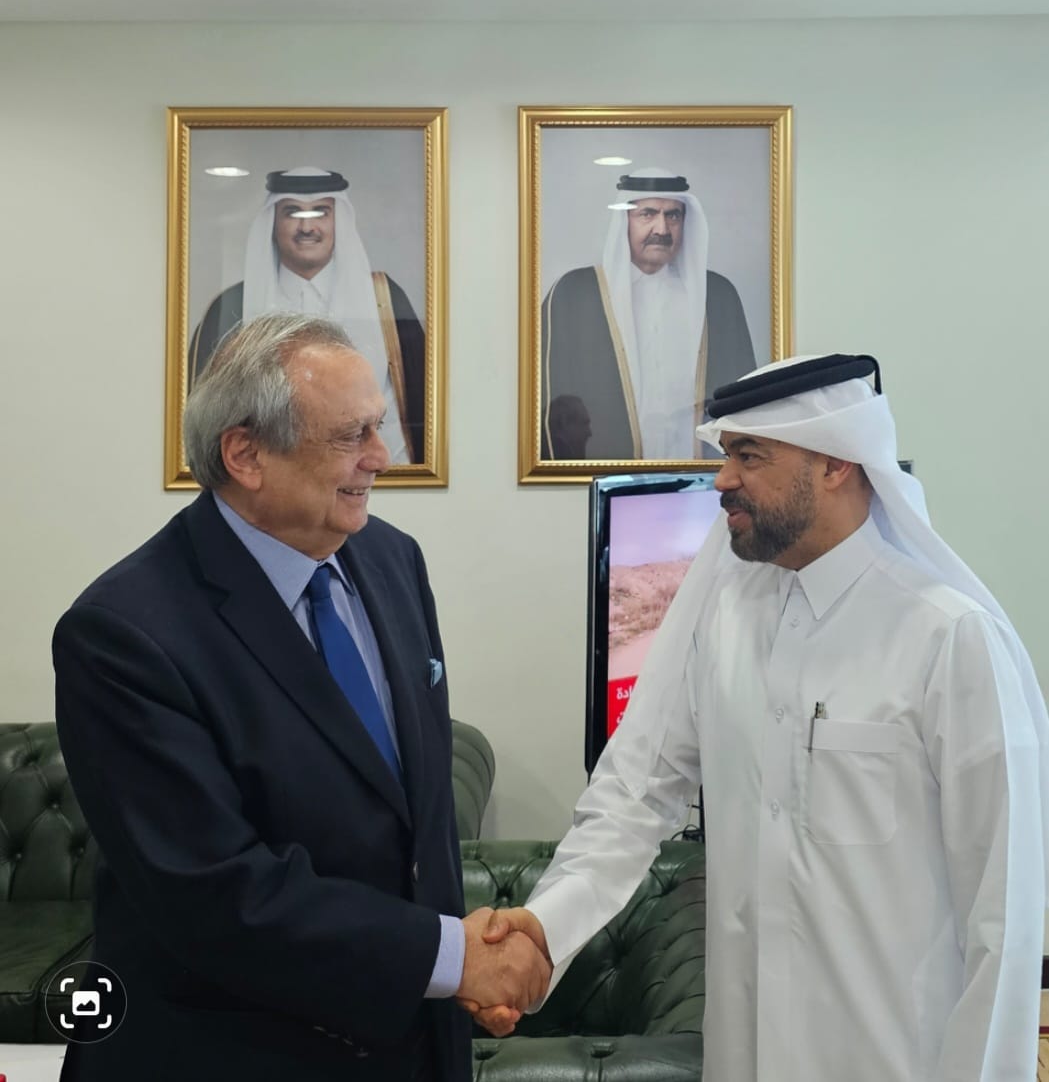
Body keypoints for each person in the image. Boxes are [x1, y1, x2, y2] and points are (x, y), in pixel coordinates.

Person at [473, 353, 1049, 1082]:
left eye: (749, 456)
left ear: (835, 463)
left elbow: (1003, 915)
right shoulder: (723, 620)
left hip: (892, 1059)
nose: (721, 480)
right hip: (743, 1056)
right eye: (726, 455)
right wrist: (542, 930)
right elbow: (633, 794)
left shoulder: (950, 638)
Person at [53, 314, 548, 1082]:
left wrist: (466, 965)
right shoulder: (122, 635)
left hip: (411, 1043)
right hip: (232, 1058)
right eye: (351, 436)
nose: (381, 457)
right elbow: (215, 896)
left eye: (379, 427)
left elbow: (413, 826)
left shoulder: (391, 560)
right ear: (245, 454)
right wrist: (455, 958)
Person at [189, 168, 425, 464]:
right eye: (292, 212)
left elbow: (415, 404)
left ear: (338, 221)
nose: (306, 227)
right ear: (273, 223)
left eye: (320, 212)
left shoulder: (384, 298)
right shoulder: (231, 305)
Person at [540, 168, 755, 461]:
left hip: (700, 476)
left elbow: (743, 400)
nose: (662, 229)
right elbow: (553, 407)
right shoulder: (575, 293)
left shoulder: (718, 295)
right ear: (624, 221)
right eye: (647, 214)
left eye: (673, 216)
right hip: (606, 472)